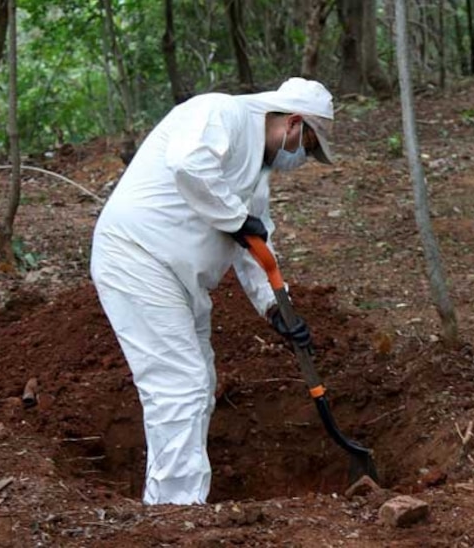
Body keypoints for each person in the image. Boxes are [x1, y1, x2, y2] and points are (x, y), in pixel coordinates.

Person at [89, 77, 334, 505]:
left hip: (180, 277)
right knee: (179, 384)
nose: (305, 158)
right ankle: (175, 514)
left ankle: (176, 503)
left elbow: (254, 244)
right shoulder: (221, 113)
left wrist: (276, 309)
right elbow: (189, 165)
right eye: (309, 146)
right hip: (136, 257)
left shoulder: (256, 174)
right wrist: (238, 221)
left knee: (199, 382)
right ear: (293, 123)